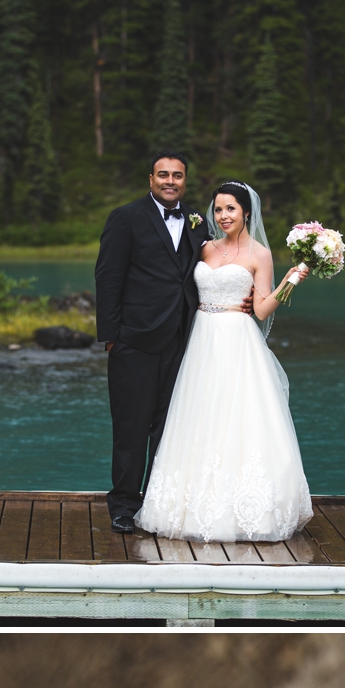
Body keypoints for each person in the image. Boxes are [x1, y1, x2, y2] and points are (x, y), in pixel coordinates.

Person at [135, 181, 313, 543]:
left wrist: (292, 280)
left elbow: (261, 309)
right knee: (198, 416)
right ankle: (186, 507)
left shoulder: (259, 254)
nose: (223, 216)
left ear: (246, 212)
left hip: (237, 339)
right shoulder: (203, 248)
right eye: (218, 209)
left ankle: (248, 510)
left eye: (230, 208)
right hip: (202, 339)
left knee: (239, 418)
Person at [94, 151, 247, 535]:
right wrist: (111, 337)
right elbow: (108, 277)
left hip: (184, 342)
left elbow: (220, 261)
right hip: (134, 341)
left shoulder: (198, 222)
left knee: (171, 427)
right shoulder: (125, 218)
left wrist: (238, 298)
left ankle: (160, 504)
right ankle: (124, 506)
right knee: (130, 427)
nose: (170, 181)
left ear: (184, 180)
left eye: (177, 176)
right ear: (150, 179)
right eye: (163, 174)